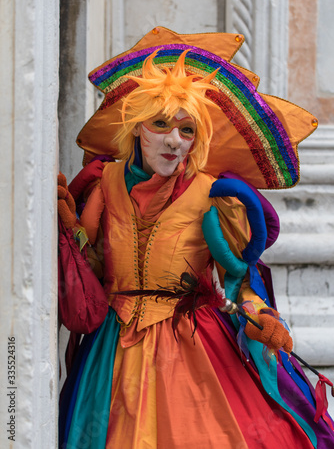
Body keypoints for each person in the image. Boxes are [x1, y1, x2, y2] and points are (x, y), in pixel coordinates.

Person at [58, 27, 334, 448]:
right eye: (160, 124)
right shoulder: (102, 183)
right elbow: (93, 266)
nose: (173, 141)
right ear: (136, 128)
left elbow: (239, 277)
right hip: (111, 349)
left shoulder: (215, 195)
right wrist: (68, 235)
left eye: (187, 131)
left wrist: (259, 315)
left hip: (193, 343)